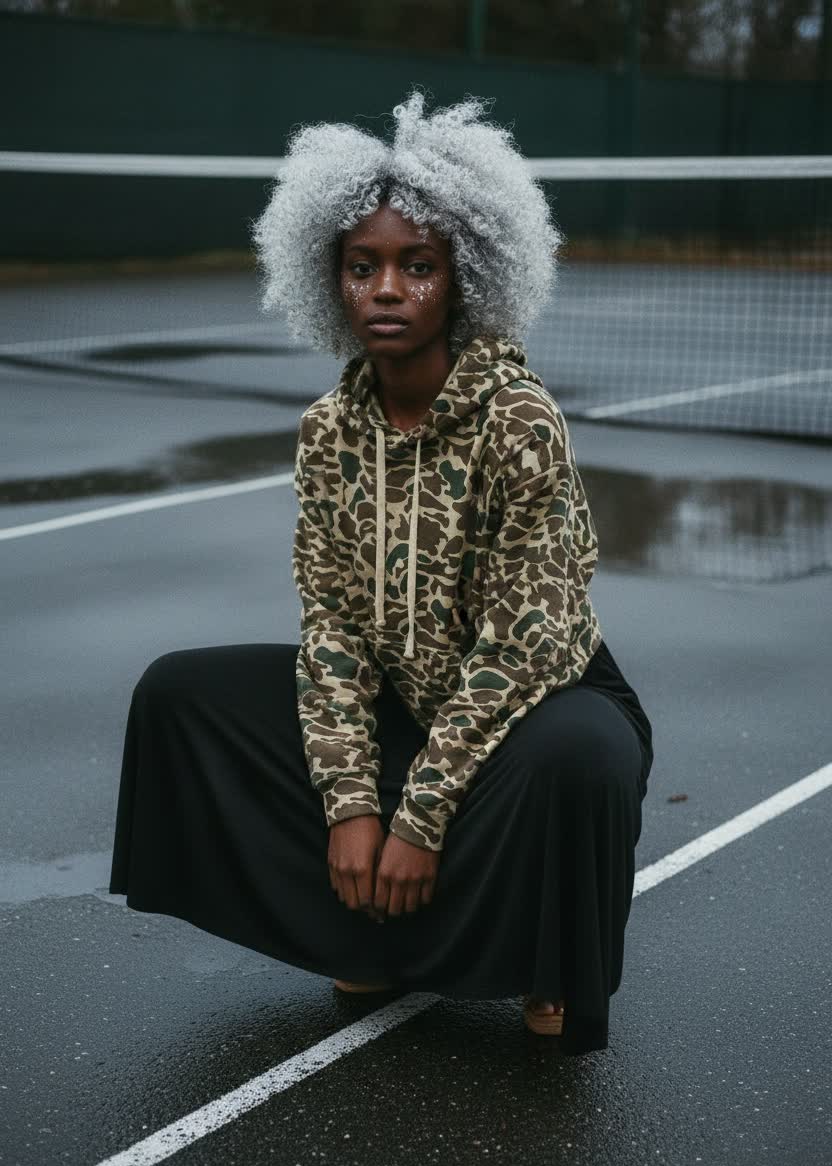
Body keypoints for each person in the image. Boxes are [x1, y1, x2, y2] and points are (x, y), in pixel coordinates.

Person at [109, 90, 654, 1056]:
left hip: (535, 706)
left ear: (465, 277)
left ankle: (547, 958)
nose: (388, 289)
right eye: (364, 267)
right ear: (331, 281)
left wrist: (419, 818)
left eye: (418, 265)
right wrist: (354, 807)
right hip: (404, 696)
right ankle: (360, 927)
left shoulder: (518, 420)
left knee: (583, 758)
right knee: (179, 693)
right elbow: (330, 628)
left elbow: (520, 648)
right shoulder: (325, 434)